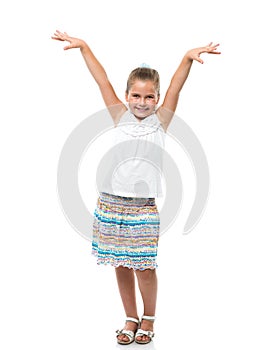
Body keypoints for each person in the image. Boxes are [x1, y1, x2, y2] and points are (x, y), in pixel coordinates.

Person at [52, 30, 220, 345]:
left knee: (143, 265)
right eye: (136, 96)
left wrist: (187, 58)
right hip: (110, 204)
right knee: (120, 262)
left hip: (142, 207)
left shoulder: (161, 121)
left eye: (149, 97)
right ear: (127, 95)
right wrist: (85, 47)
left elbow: (176, 86)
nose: (142, 102)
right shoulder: (119, 115)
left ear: (156, 99)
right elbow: (101, 80)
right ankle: (130, 316)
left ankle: (149, 318)